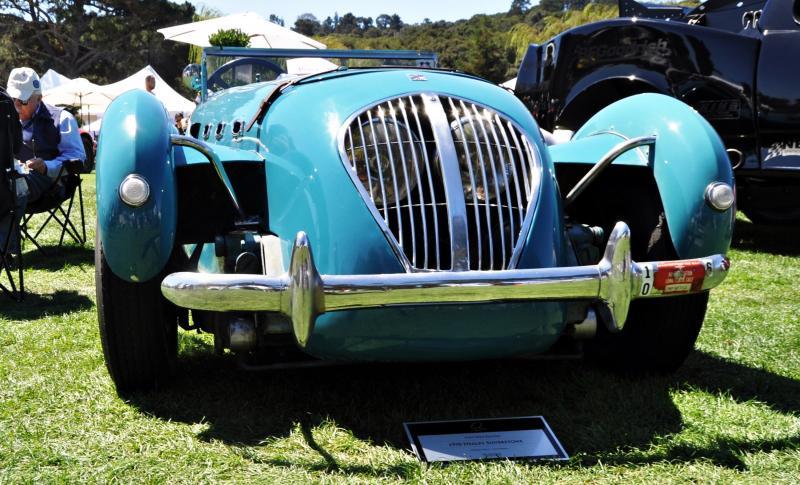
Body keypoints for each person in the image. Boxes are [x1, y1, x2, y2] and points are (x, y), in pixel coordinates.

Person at [0, 67, 86, 258]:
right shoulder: (5, 118)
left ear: (39, 98)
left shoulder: (62, 119)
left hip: (50, 183)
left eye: (22, 101)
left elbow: (77, 159)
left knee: (14, 185)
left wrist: (47, 165)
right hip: (10, 177)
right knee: (8, 183)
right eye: (12, 100)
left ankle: (4, 251)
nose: (16, 106)